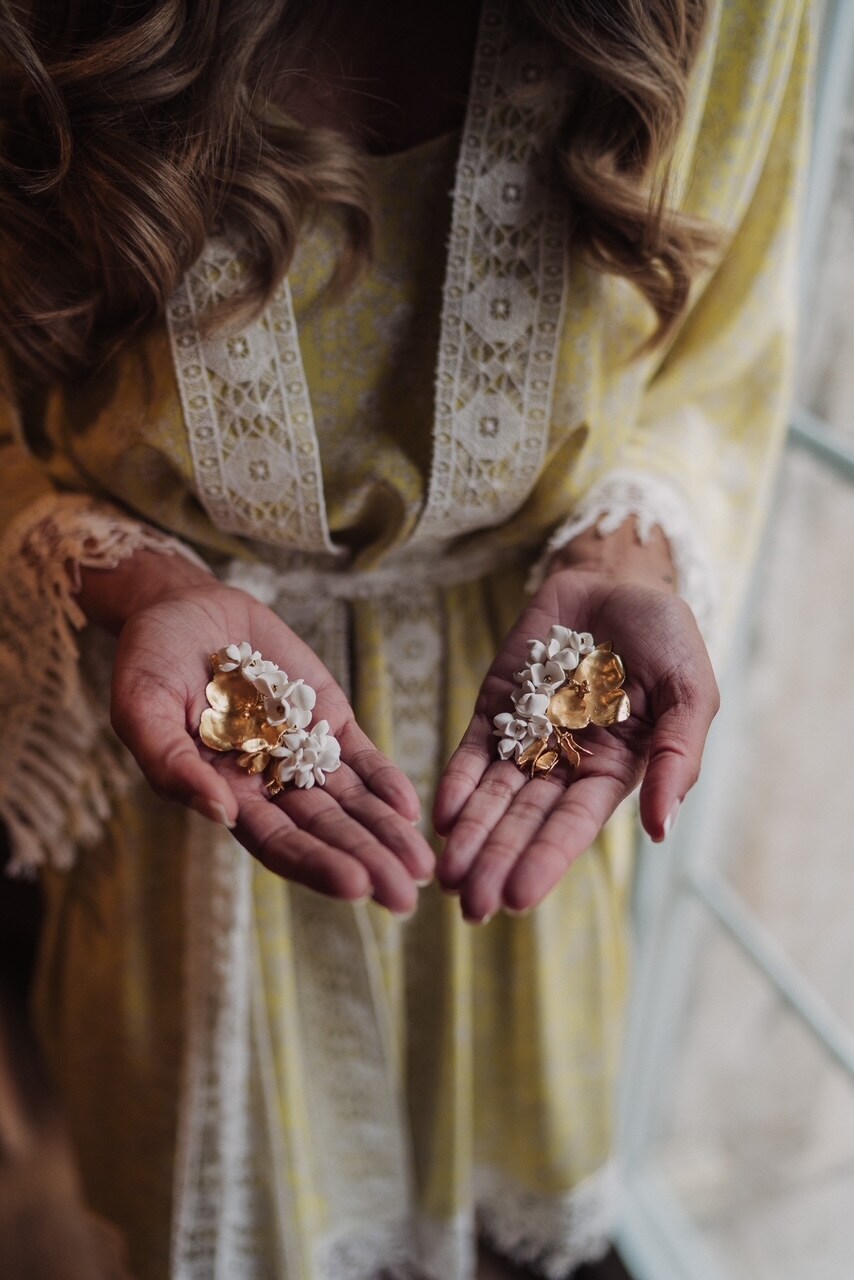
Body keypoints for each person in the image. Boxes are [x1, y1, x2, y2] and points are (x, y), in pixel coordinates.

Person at [0, 0, 813, 1277]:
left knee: (503, 1196)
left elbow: (722, 369)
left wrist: (623, 553)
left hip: (531, 775)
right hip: (189, 819)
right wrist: (133, 582)